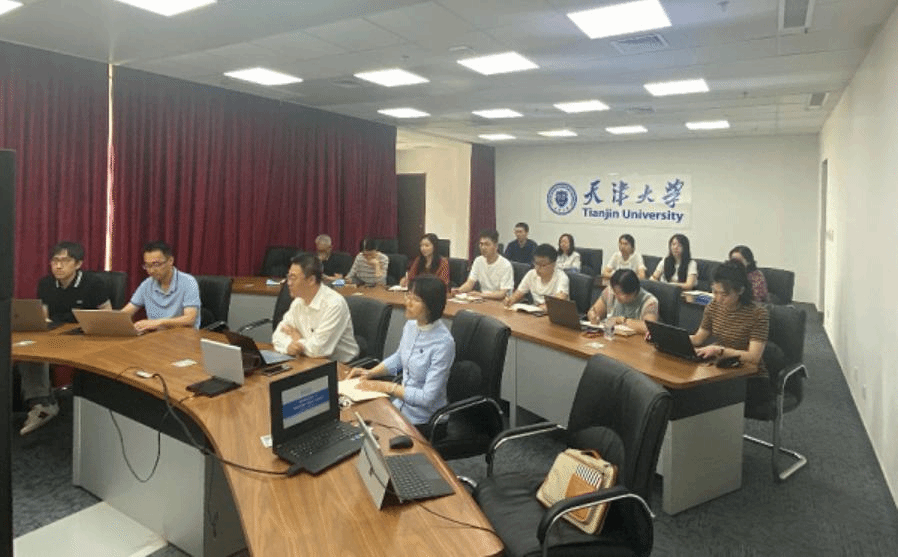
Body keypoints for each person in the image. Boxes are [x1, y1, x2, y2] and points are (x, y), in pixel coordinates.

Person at [18, 241, 111, 435]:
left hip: (86, 337)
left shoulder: (94, 283)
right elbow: (43, 317)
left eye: (65, 261)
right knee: (28, 350)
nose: (58, 266)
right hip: (56, 334)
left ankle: (98, 406)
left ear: (78, 264)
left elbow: (108, 317)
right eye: (54, 261)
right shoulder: (45, 283)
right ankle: (43, 404)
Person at [349, 276, 454, 426]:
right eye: (408, 296)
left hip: (424, 420)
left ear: (431, 306)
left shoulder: (443, 343)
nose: (407, 303)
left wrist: (387, 387)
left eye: (415, 300)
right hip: (400, 408)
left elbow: (427, 398)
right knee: (357, 419)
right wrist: (370, 373)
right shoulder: (411, 325)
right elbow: (399, 358)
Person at [271, 254, 359, 362]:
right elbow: (277, 336)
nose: (288, 283)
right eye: (288, 277)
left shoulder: (334, 304)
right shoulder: (298, 302)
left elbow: (318, 350)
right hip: (308, 360)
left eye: (293, 278)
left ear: (311, 280)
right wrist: (288, 346)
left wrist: (298, 340)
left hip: (342, 365)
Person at [690, 260, 768, 367]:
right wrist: (676, 339)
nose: (718, 299)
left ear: (740, 290)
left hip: (746, 370)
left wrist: (720, 351)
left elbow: (754, 357)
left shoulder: (758, 314)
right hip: (721, 364)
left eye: (724, 295)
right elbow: (698, 338)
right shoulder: (713, 306)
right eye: (715, 292)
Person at [122, 241, 201, 331]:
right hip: (156, 335)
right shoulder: (147, 284)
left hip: (182, 335)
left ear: (170, 261)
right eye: (147, 266)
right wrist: (113, 319)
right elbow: (127, 312)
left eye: (156, 265)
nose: (151, 270)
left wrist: (157, 322)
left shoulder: (188, 282)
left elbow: (190, 319)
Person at [587, 269, 658, 334]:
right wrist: (593, 316)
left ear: (633, 292)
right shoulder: (610, 292)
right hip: (611, 339)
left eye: (620, 293)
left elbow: (649, 328)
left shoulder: (649, 302)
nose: (615, 295)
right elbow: (593, 311)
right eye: (614, 291)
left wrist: (622, 320)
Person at [452, 229, 514, 300]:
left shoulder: (505, 265)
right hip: (484, 299)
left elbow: (502, 294)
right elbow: (470, 283)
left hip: (499, 302)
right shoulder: (478, 261)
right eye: (481, 244)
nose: (483, 247)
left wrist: (480, 295)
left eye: (487, 244)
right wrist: (459, 290)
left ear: (496, 246)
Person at [505, 243, 570, 309]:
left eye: (542, 265)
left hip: (554, 313)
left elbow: (559, 301)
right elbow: (518, 294)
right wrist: (511, 300)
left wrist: (543, 307)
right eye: (536, 263)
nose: (538, 268)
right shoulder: (531, 274)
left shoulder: (561, 277)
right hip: (536, 311)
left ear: (553, 264)